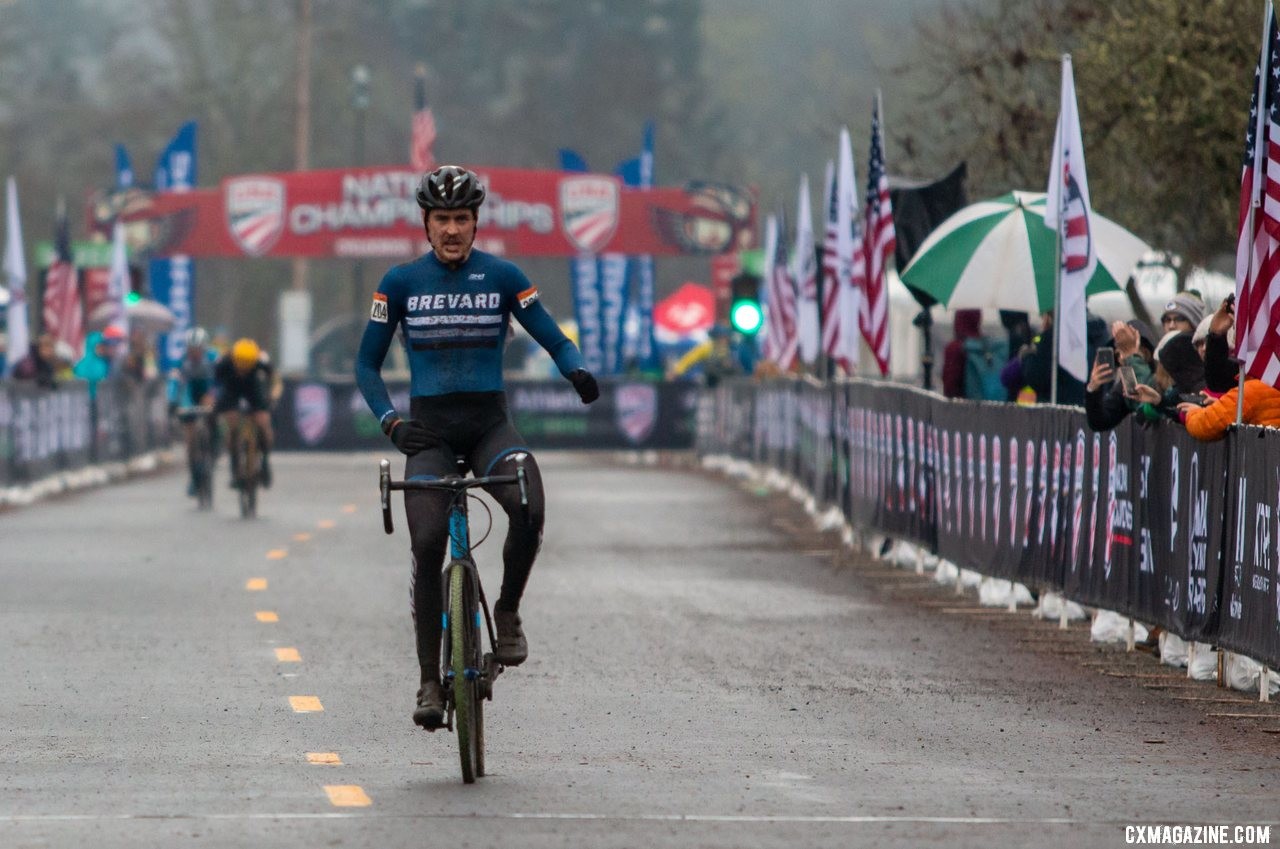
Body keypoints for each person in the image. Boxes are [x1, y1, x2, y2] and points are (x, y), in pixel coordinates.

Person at [355, 165, 599, 730]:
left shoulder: (504, 276)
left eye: (461, 219)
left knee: (530, 505)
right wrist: (392, 423)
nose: (452, 230)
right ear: (426, 222)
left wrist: (576, 370)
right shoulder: (399, 283)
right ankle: (426, 682)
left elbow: (553, 335)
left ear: (475, 222)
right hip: (430, 434)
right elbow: (366, 364)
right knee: (426, 542)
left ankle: (508, 612)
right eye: (442, 219)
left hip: (491, 427)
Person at [213, 337, 277, 489]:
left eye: (246, 366)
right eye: (240, 366)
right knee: (232, 424)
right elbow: (215, 384)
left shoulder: (261, 362)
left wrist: (270, 395)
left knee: (263, 422)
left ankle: (265, 461)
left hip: (253, 388)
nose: (242, 370)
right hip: (232, 389)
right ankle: (235, 468)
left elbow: (273, 380)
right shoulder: (224, 363)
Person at [169, 327, 219, 497]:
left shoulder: (213, 359)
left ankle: (214, 448)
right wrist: (173, 401)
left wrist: (216, 399)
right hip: (190, 394)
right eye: (191, 349)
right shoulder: (181, 361)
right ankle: (194, 477)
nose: (195, 353)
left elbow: (219, 383)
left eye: (198, 349)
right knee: (190, 439)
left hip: (207, 392)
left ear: (204, 348)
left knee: (214, 422)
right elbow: (175, 384)